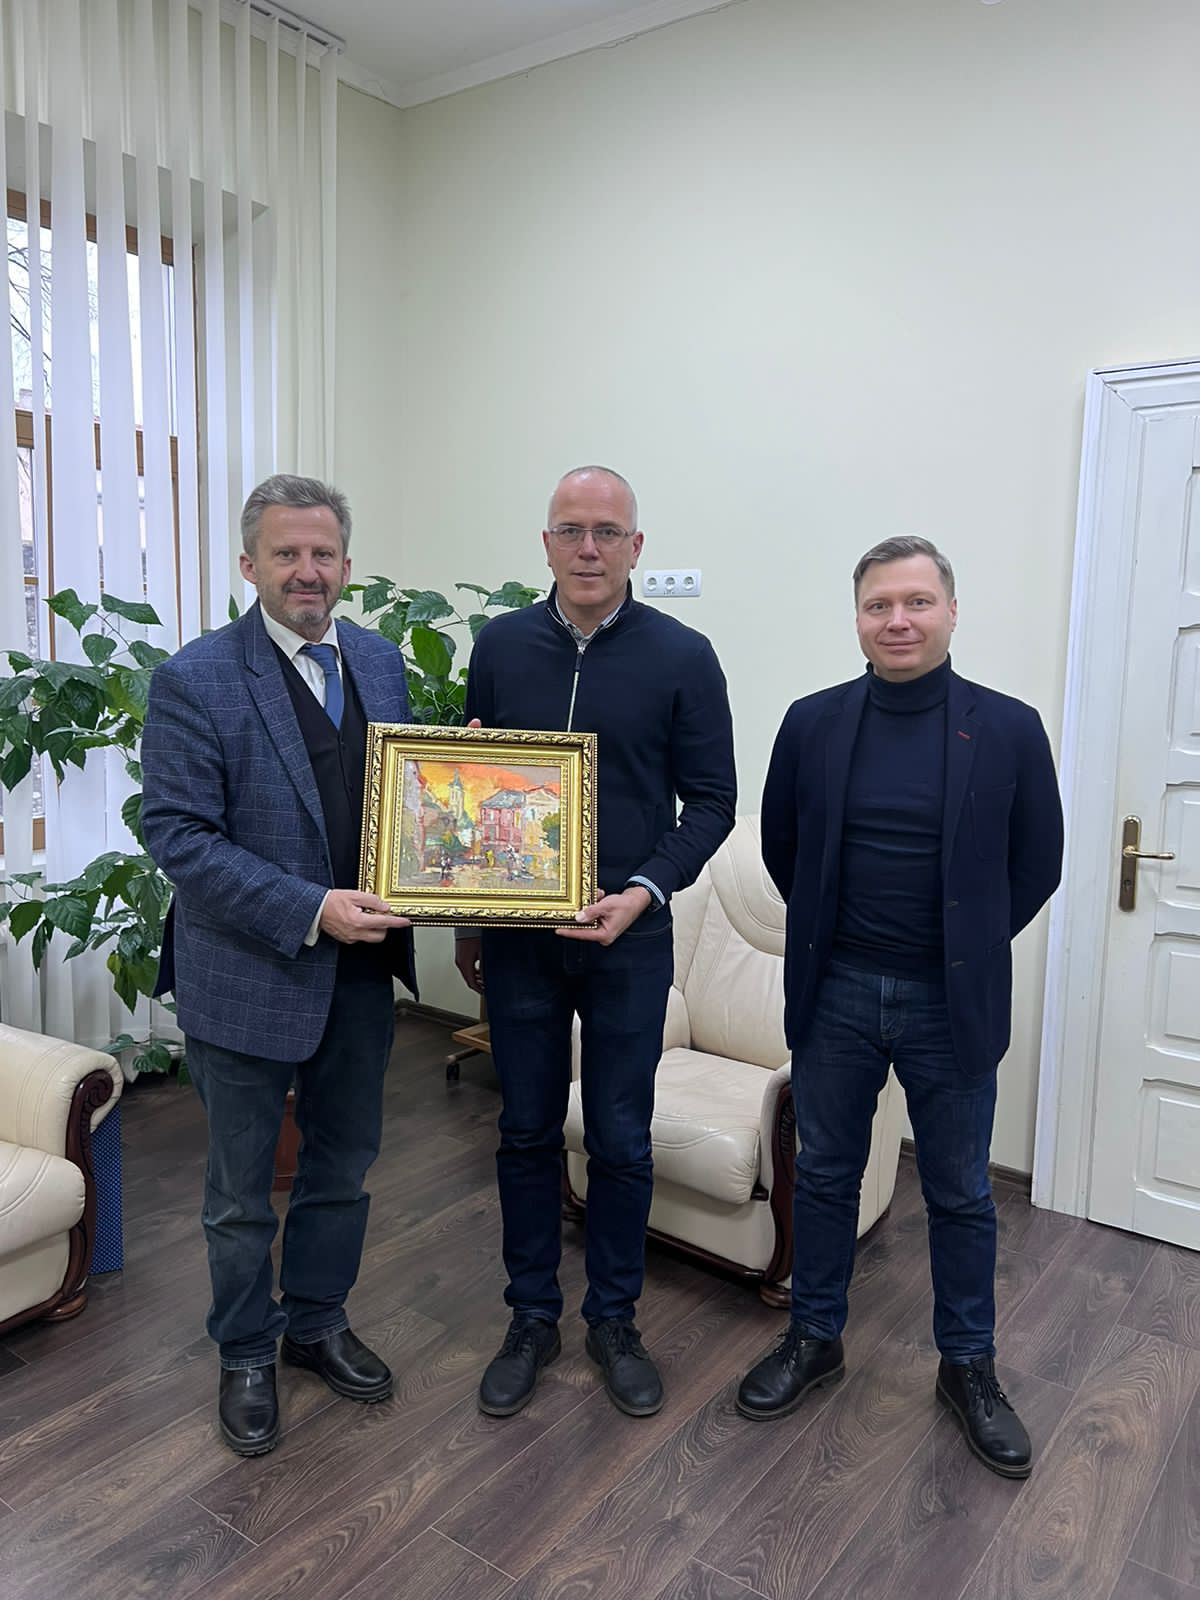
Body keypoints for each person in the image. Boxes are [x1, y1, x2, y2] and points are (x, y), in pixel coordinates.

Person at [737, 536, 1062, 1479]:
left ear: (952, 611)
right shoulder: (812, 723)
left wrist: (966, 944)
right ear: (858, 619)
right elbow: (785, 847)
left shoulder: (1009, 728)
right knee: (825, 1173)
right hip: (836, 987)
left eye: (918, 602)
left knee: (960, 1191)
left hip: (950, 999)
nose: (899, 620)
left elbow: (1037, 863)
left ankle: (968, 1367)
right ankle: (814, 1336)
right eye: (880, 605)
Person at [142, 473, 416, 1457]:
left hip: (363, 975)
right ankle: (246, 1349)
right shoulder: (196, 678)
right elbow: (179, 835)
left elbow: (400, 798)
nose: (308, 570)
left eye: (323, 553)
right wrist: (309, 910)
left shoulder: (378, 661)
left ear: (347, 564)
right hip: (246, 974)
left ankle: (315, 1322)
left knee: (342, 1170)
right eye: (287, 553)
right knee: (239, 1193)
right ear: (249, 564)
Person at [455, 465, 736, 1419]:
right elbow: (471, 780)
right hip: (523, 945)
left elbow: (714, 802)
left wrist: (644, 890)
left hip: (629, 940)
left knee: (619, 1138)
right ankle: (531, 1316)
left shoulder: (684, 656)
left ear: (636, 547)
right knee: (526, 1130)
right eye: (570, 530)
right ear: (545, 544)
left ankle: (614, 1320)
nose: (588, 548)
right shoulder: (499, 645)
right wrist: (472, 919)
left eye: (607, 532)